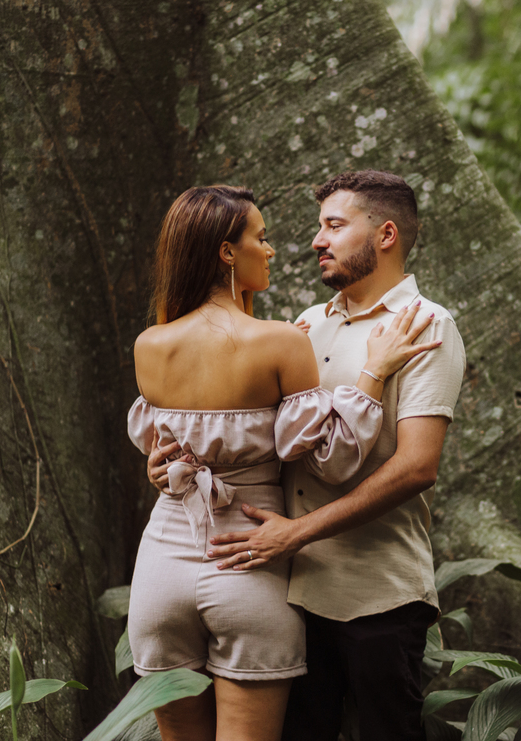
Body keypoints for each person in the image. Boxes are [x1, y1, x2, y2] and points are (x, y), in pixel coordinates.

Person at [127, 184, 440, 741]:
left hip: (160, 570)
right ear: (227, 253)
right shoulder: (283, 341)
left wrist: (163, 467)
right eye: (261, 238)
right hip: (249, 564)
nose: (272, 250)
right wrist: (372, 373)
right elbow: (334, 458)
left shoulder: (150, 344)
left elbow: (165, 446)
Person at [203, 170, 466, 741]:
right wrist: (173, 463)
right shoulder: (305, 328)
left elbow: (418, 466)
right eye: (319, 226)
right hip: (288, 594)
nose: (317, 239)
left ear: (386, 234)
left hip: (379, 596)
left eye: (334, 225)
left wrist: (295, 533)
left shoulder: (425, 325)